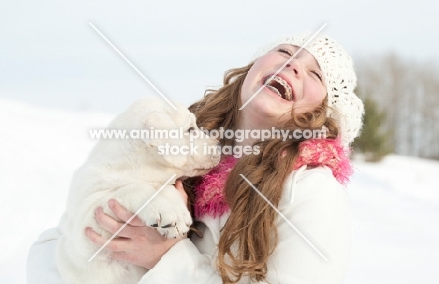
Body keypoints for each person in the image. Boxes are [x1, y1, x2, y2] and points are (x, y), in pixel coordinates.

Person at [27, 32, 364, 283]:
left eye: (315, 74)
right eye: (285, 51)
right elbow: (62, 242)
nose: (293, 65)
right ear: (251, 68)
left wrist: (166, 257)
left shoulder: (311, 192)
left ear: (323, 112)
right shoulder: (177, 141)